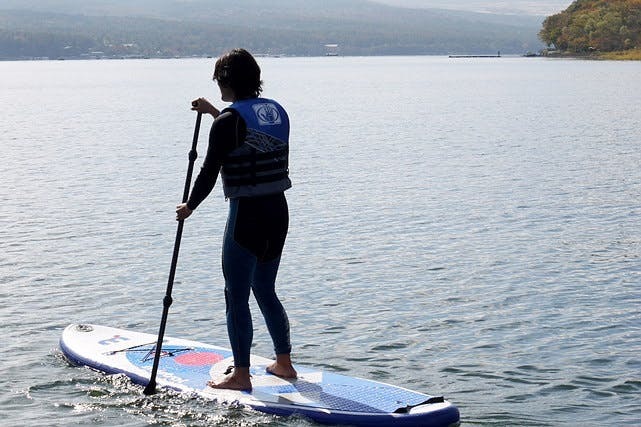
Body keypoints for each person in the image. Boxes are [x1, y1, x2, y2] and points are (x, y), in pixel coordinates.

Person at [176, 48, 296, 391]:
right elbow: (247, 138)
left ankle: (241, 375)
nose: (217, 87)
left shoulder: (229, 121)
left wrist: (190, 207)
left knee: (236, 295)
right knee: (265, 289)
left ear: (226, 80)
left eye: (218, 81)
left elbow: (210, 171)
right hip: (278, 212)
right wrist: (215, 112)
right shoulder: (275, 110)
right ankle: (283, 363)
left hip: (247, 216)